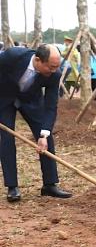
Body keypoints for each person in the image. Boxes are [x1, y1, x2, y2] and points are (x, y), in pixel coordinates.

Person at [0, 45, 72, 202]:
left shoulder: (54, 74)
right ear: (38, 60)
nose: (54, 71)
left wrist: (44, 134)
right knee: (6, 138)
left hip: (31, 101)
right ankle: (12, 187)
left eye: (56, 67)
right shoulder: (13, 56)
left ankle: (50, 185)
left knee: (46, 136)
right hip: (5, 97)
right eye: (51, 67)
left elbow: (51, 106)